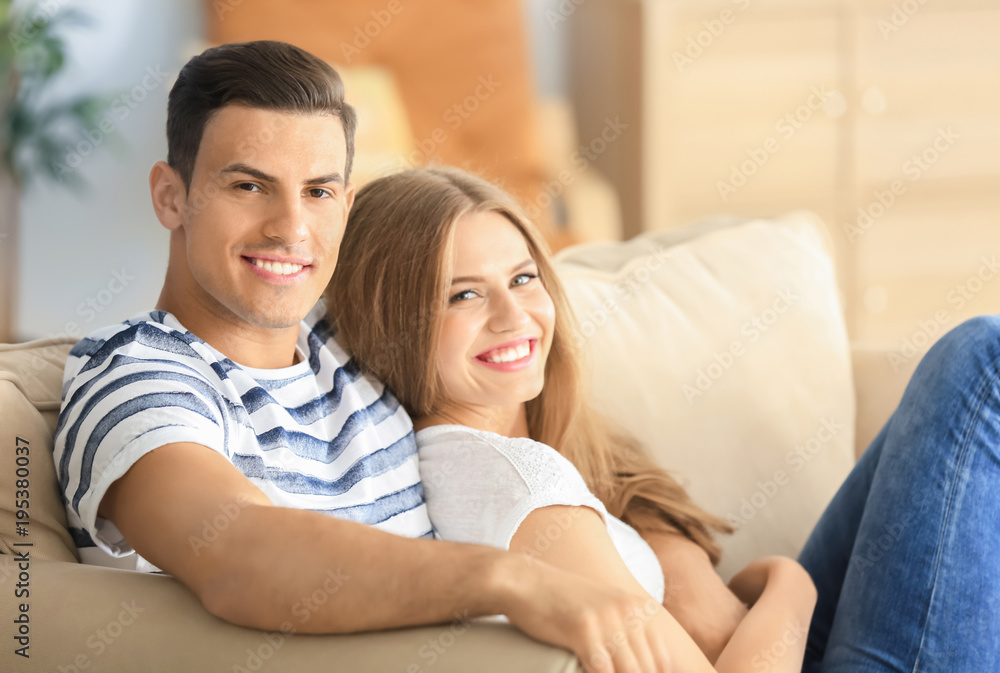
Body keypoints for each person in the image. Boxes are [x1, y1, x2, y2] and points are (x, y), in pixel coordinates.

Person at [53, 39, 744, 673]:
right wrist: (516, 580)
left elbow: (528, 408)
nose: (291, 228)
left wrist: (677, 552)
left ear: (345, 205)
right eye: (248, 185)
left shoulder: (341, 339)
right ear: (170, 196)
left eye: (319, 191)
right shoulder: (135, 375)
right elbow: (237, 552)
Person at [327, 165, 1000, 673]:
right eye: (464, 294)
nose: (514, 316)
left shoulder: (502, 454)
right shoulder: (518, 485)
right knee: (981, 362)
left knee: (971, 377)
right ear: (395, 327)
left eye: (524, 278)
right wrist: (791, 587)